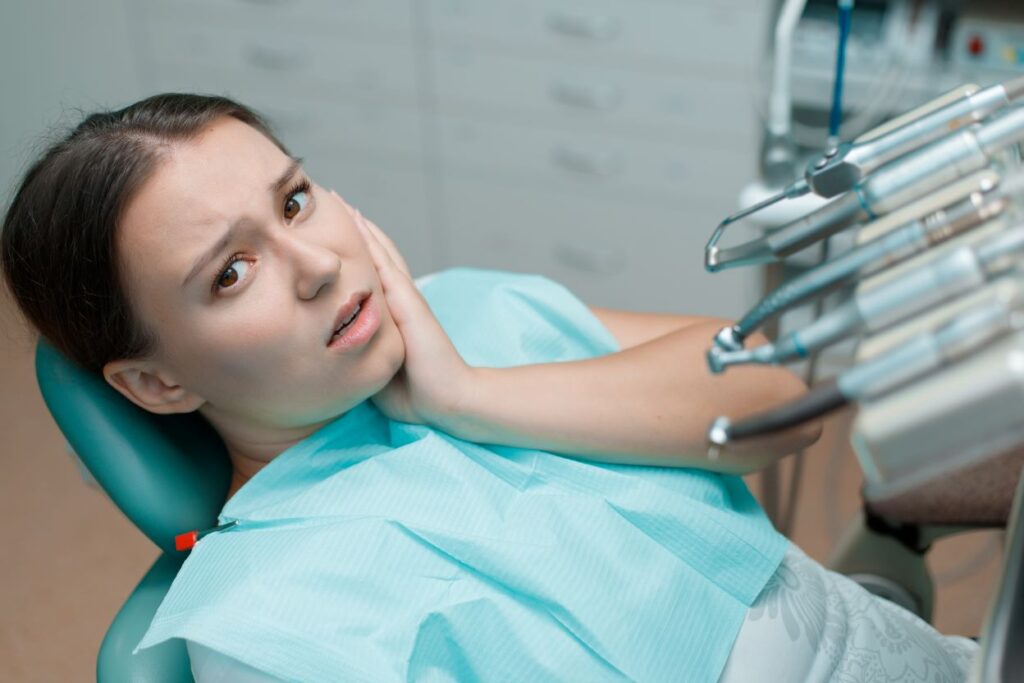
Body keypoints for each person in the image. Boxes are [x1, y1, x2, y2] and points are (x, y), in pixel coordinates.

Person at [0, 94, 977, 681]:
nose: (316, 263)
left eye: (294, 199)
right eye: (230, 272)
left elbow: (772, 394)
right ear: (158, 379)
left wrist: (470, 397)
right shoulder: (266, 623)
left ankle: (891, 543)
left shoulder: (467, 314)